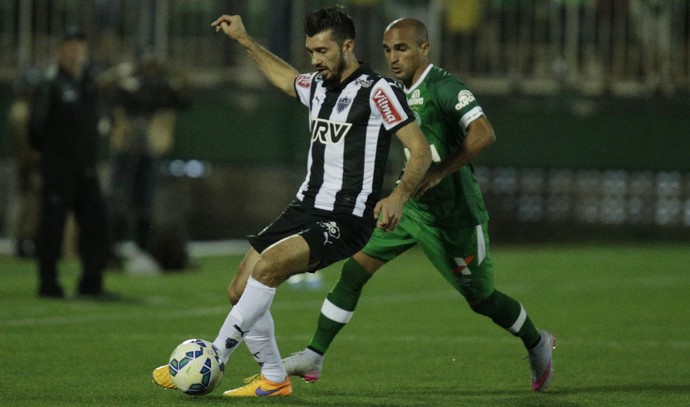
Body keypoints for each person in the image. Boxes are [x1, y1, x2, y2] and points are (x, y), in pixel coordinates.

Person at [152, 6, 432, 397]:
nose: (315, 60)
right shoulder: (318, 85)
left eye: (322, 51)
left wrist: (399, 196)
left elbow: (420, 150)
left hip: (348, 217)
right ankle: (274, 377)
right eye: (310, 52)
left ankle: (213, 356)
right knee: (239, 290)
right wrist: (246, 41)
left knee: (268, 268)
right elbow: (287, 80)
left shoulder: (377, 90)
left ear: (347, 46)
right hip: (305, 206)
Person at [281, 18, 556, 392]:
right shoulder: (387, 88)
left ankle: (537, 341)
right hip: (408, 205)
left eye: (403, 48)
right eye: (388, 49)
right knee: (354, 271)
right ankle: (314, 356)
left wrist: (441, 172)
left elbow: (484, 133)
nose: (393, 57)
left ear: (424, 49)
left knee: (481, 298)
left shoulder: (444, 88)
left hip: (454, 215)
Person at [28, 27, 113, 299]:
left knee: (96, 223)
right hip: (59, 167)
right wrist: (52, 156)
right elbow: (36, 127)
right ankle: (48, 282)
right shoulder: (51, 82)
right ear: (61, 49)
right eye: (70, 45)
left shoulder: (88, 81)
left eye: (79, 45)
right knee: (52, 225)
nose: (75, 51)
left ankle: (91, 281)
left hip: (85, 167)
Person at [105, 52, 190, 272]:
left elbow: (182, 100)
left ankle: (141, 250)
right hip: (126, 151)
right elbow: (107, 91)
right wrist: (121, 78)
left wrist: (173, 83)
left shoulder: (155, 90)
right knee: (117, 203)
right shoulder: (126, 87)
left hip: (148, 153)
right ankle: (110, 252)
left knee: (145, 207)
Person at [7, 68, 42, 258]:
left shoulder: (24, 109)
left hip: (25, 164)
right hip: (26, 165)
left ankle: (24, 241)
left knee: (30, 204)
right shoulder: (21, 111)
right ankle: (22, 242)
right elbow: (25, 144)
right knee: (28, 204)